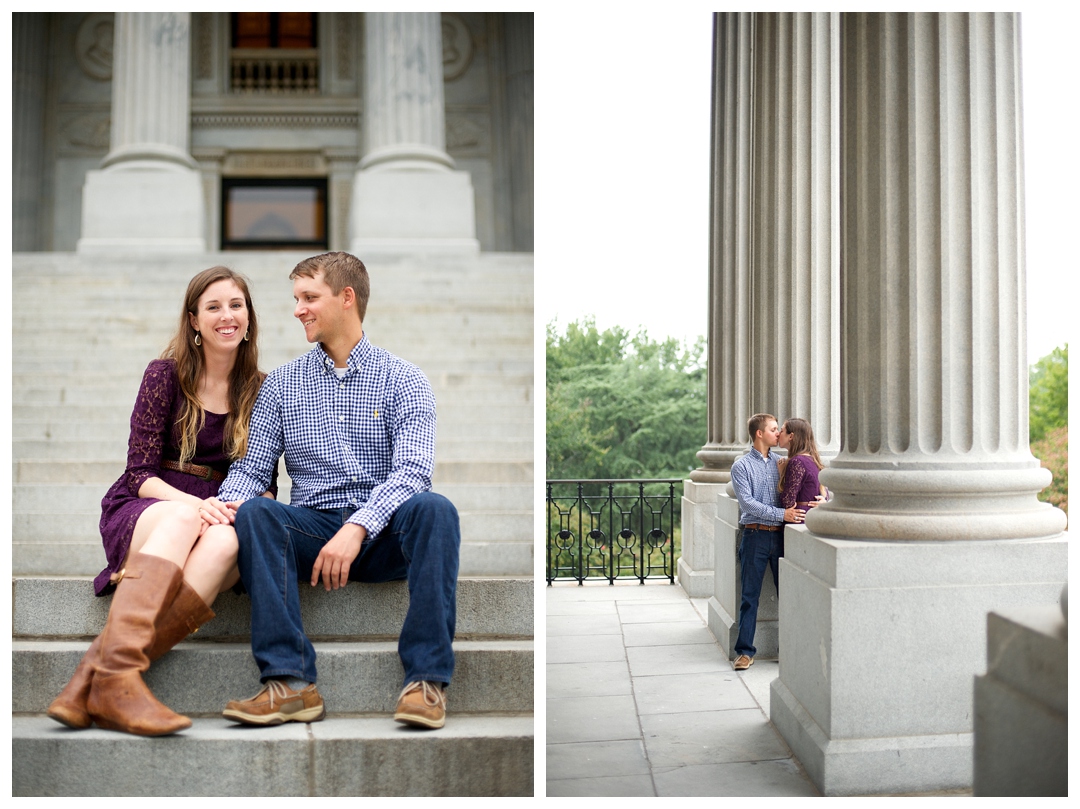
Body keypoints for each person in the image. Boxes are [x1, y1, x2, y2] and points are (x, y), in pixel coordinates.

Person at [216, 251, 461, 730]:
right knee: (256, 514)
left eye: (309, 297)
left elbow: (412, 473)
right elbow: (251, 471)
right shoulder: (282, 385)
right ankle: (290, 684)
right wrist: (217, 506)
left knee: (436, 509)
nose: (297, 309)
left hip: (385, 532)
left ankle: (425, 681)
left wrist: (359, 525)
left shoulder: (405, 379)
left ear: (346, 298)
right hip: (313, 532)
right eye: (295, 299)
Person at [47, 267, 273, 736]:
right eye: (213, 307)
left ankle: (97, 679)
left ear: (249, 317)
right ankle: (113, 681)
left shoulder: (262, 388)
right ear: (193, 320)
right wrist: (192, 507)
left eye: (236, 305)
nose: (226, 316)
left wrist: (227, 508)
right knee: (179, 520)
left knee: (228, 546)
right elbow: (140, 473)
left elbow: (263, 481)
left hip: (216, 512)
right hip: (150, 505)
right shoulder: (165, 374)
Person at [728, 413, 809, 672]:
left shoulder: (782, 463)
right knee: (749, 596)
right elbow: (748, 504)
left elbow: (807, 483)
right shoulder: (740, 467)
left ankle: (788, 648)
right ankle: (744, 652)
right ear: (759, 434)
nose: (778, 433)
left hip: (782, 537)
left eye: (779, 429)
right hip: (755, 536)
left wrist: (820, 499)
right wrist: (781, 514)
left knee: (787, 594)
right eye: (774, 429)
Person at [778, 417, 827, 519]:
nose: (778, 434)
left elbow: (787, 502)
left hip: (798, 518)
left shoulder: (797, 462)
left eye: (782, 431)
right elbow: (822, 491)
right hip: (810, 517)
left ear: (791, 436)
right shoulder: (813, 460)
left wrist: (782, 473)